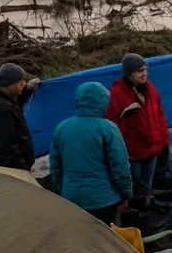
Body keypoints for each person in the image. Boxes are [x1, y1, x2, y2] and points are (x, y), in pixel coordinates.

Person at [49, 82, 133, 224]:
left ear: (78, 101)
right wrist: (127, 193)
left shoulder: (62, 127)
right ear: (104, 102)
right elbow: (121, 166)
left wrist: (65, 189)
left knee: (82, 240)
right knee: (109, 240)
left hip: (73, 198)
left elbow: (55, 167)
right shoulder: (107, 128)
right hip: (106, 199)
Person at [105, 54, 169, 200]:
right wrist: (122, 151)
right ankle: (135, 214)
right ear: (129, 74)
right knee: (134, 187)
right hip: (133, 154)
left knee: (147, 185)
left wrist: (164, 142)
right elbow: (113, 126)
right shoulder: (116, 94)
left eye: (146, 70)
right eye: (140, 70)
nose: (145, 73)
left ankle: (147, 213)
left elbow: (160, 117)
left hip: (153, 149)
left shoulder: (151, 89)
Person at [0, 64, 36, 171]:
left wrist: (26, 90)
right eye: (21, 83)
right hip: (9, 170)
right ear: (9, 85)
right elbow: (5, 147)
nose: (24, 84)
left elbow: (12, 103)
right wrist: (22, 170)